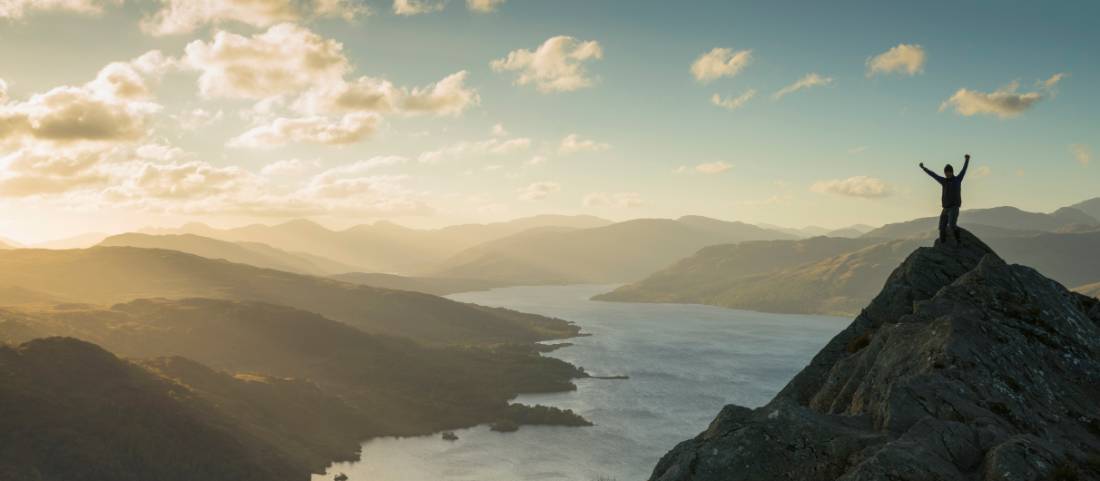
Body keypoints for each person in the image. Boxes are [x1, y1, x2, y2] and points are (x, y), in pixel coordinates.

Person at [920, 154, 970, 243]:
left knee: (951, 225)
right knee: (941, 227)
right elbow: (933, 175)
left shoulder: (957, 180)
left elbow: (964, 169)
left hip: (954, 208)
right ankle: (942, 243)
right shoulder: (944, 181)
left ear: (951, 172)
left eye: (947, 173)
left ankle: (958, 239)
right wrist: (924, 168)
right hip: (945, 208)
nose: (946, 174)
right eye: (945, 173)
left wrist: (967, 159)